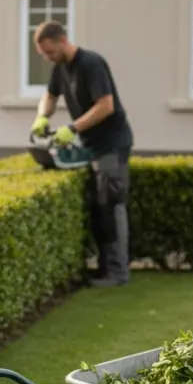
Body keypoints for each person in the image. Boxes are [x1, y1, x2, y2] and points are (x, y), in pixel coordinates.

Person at [28, 20, 134, 287]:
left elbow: (106, 106)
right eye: (44, 55)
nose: (49, 58)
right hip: (91, 146)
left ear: (63, 41)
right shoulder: (60, 68)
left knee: (111, 204)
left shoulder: (91, 64)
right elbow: (50, 96)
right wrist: (42, 117)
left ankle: (118, 272)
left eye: (50, 52)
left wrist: (72, 128)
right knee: (98, 208)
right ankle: (103, 269)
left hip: (111, 144)